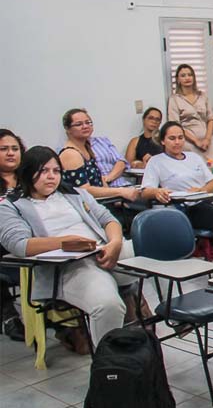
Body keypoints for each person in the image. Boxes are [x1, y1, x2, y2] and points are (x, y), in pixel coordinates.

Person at [0, 146, 135, 349]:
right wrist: (66, 242)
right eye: (43, 171)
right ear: (27, 173)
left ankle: (178, 315)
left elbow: (108, 220)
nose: (51, 177)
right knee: (108, 305)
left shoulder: (75, 194)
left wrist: (115, 243)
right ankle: (108, 368)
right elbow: (20, 245)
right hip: (72, 266)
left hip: (106, 250)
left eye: (56, 171)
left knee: (150, 249)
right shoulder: (12, 205)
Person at [141, 122, 213, 233]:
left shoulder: (194, 157)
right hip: (187, 208)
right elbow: (145, 192)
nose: (177, 142)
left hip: (207, 200)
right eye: (172, 138)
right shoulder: (156, 161)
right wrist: (157, 191)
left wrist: (201, 191)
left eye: (180, 138)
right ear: (163, 141)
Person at [58, 109, 140, 201]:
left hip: (103, 201)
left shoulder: (86, 148)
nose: (85, 126)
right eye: (79, 124)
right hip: (87, 207)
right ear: (68, 129)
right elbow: (84, 190)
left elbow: (100, 181)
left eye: (88, 122)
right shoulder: (70, 153)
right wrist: (120, 192)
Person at [0, 129, 25, 341]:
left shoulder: (32, 179)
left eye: (14, 149)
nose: (10, 153)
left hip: (33, 241)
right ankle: (9, 317)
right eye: (4, 149)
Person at [168, 63, 213, 163]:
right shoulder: (174, 99)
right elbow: (176, 125)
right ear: (178, 80)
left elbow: (210, 118)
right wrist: (196, 141)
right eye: (183, 75)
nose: (187, 78)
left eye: (190, 75)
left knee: (211, 170)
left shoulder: (202, 96)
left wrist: (207, 139)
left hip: (207, 143)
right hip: (188, 143)